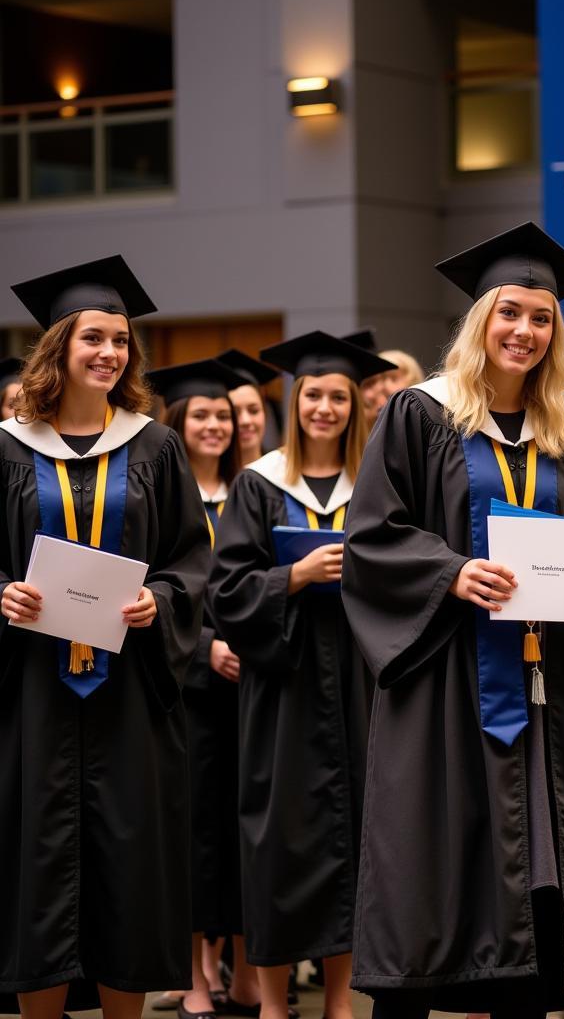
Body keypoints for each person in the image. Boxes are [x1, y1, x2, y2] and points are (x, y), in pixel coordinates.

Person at [340, 222, 564, 1019]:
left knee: (541, 888)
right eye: (511, 312)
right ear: (481, 320)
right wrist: (451, 572)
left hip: (550, 693)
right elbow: (372, 535)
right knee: (433, 876)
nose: (526, 331)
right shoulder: (419, 414)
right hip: (445, 682)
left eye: (542, 318)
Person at [0, 256, 209, 1019]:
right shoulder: (7, 448)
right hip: (31, 695)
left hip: (129, 698)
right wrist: (3, 596)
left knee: (130, 870)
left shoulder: (155, 447)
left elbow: (193, 559)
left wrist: (160, 599)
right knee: (36, 871)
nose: (110, 353)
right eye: (93, 337)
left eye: (121, 341)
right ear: (59, 346)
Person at [208, 329, 395, 1019]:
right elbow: (224, 593)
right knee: (280, 845)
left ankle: (342, 1004)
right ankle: (275, 1005)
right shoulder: (260, 484)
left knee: (358, 844)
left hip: (360, 683)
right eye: (313, 394)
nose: (324, 407)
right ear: (296, 399)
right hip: (282, 691)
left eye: (338, 396)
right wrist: (295, 576)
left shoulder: (376, 485)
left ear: (355, 405)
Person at [148, 358, 269, 1019]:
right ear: (180, 421)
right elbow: (160, 591)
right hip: (188, 692)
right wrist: (204, 649)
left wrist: (247, 646)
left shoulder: (254, 490)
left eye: (225, 414)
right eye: (202, 415)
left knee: (249, 828)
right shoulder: (164, 497)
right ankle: (194, 974)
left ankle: (248, 972)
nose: (217, 424)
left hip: (254, 691)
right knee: (195, 832)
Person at [218, 349, 280, 466]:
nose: (245, 421)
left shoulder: (284, 472)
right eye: (234, 413)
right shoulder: (212, 481)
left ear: (265, 413)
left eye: (254, 410)